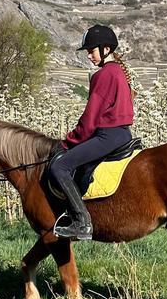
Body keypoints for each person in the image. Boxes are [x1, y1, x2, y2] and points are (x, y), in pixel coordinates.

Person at [48, 24, 135, 241]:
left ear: (106, 49)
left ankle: (81, 222)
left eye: (91, 50)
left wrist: (69, 142)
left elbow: (90, 119)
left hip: (107, 135)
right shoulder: (118, 72)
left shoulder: (104, 75)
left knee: (60, 166)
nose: (88, 55)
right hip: (123, 134)